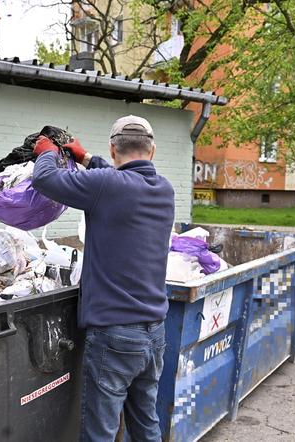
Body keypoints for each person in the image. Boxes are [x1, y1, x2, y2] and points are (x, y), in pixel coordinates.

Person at [32, 115, 175, 442]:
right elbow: (115, 178)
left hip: (115, 336)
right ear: (152, 152)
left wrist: (46, 152)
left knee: (100, 434)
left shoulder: (106, 186)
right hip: (154, 333)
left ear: (113, 149)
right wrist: (84, 158)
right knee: (146, 425)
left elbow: (46, 180)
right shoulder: (163, 189)